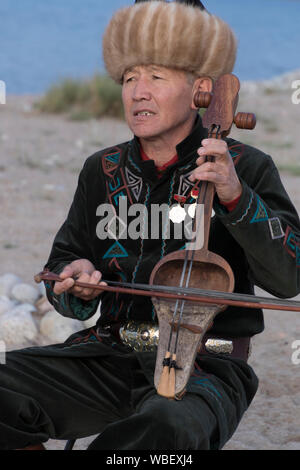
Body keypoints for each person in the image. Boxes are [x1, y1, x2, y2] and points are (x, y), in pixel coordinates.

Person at [1, 0, 299, 451]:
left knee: (166, 429)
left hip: (208, 365)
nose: (138, 91)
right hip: (108, 352)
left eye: (156, 77)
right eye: (129, 78)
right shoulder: (100, 169)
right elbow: (62, 266)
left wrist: (237, 198)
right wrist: (76, 284)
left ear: (201, 89)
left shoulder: (246, 167)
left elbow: (288, 277)